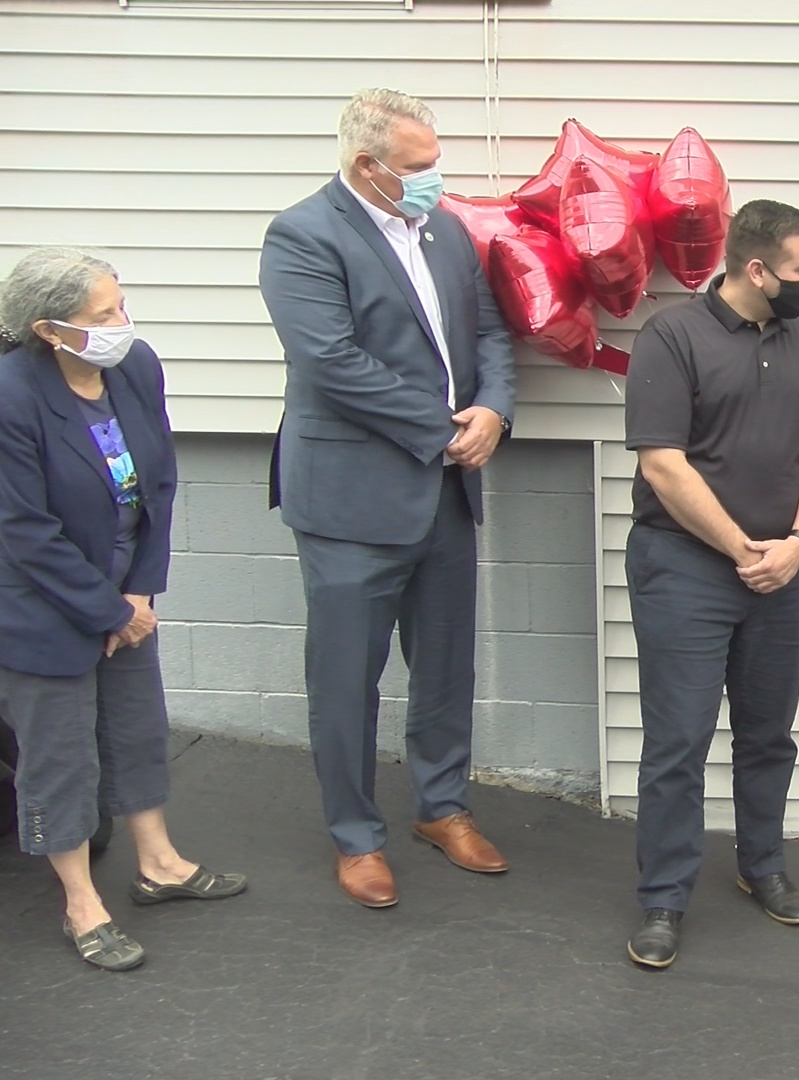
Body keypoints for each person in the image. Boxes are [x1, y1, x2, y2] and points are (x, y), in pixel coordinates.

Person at [258, 89, 517, 908]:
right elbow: (330, 362)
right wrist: (444, 429)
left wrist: (495, 410)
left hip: (445, 492)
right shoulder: (302, 235)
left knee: (445, 666)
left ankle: (442, 808)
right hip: (350, 499)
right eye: (419, 166)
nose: (436, 177)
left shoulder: (443, 231)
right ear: (368, 167)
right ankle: (356, 836)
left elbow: (487, 333)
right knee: (346, 679)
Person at [0, 249, 246, 971]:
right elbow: (22, 530)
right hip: (41, 604)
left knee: (137, 729)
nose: (121, 323)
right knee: (60, 756)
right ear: (50, 330)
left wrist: (139, 592)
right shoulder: (11, 396)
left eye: (121, 304)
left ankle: (158, 863)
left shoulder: (135, 369)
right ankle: (81, 902)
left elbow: (159, 486)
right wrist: (107, 612)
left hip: (123, 592)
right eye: (103, 315)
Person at [621, 199, 799, 970]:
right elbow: (662, 463)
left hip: (783, 571)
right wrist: (742, 547)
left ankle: (763, 867)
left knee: (766, 733)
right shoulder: (673, 338)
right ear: (756, 269)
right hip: (683, 568)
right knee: (678, 741)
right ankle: (664, 898)